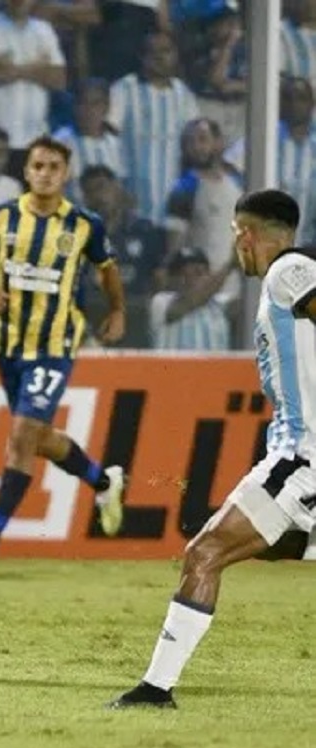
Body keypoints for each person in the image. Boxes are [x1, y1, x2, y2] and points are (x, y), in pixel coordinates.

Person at [110, 189, 316, 709]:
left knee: (204, 553)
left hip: (301, 459)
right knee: (260, 547)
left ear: (247, 234)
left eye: (235, 235)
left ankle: (155, 690)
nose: (236, 247)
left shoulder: (286, 271)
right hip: (299, 455)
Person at [0, 134, 128, 564]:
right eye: (38, 166)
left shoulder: (85, 225)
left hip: (55, 345)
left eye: (54, 167)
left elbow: (107, 271)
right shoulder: (2, 218)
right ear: (26, 172)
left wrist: (118, 309)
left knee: (22, 433)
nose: (45, 173)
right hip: (8, 344)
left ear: (66, 174)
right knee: (39, 437)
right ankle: (103, 483)